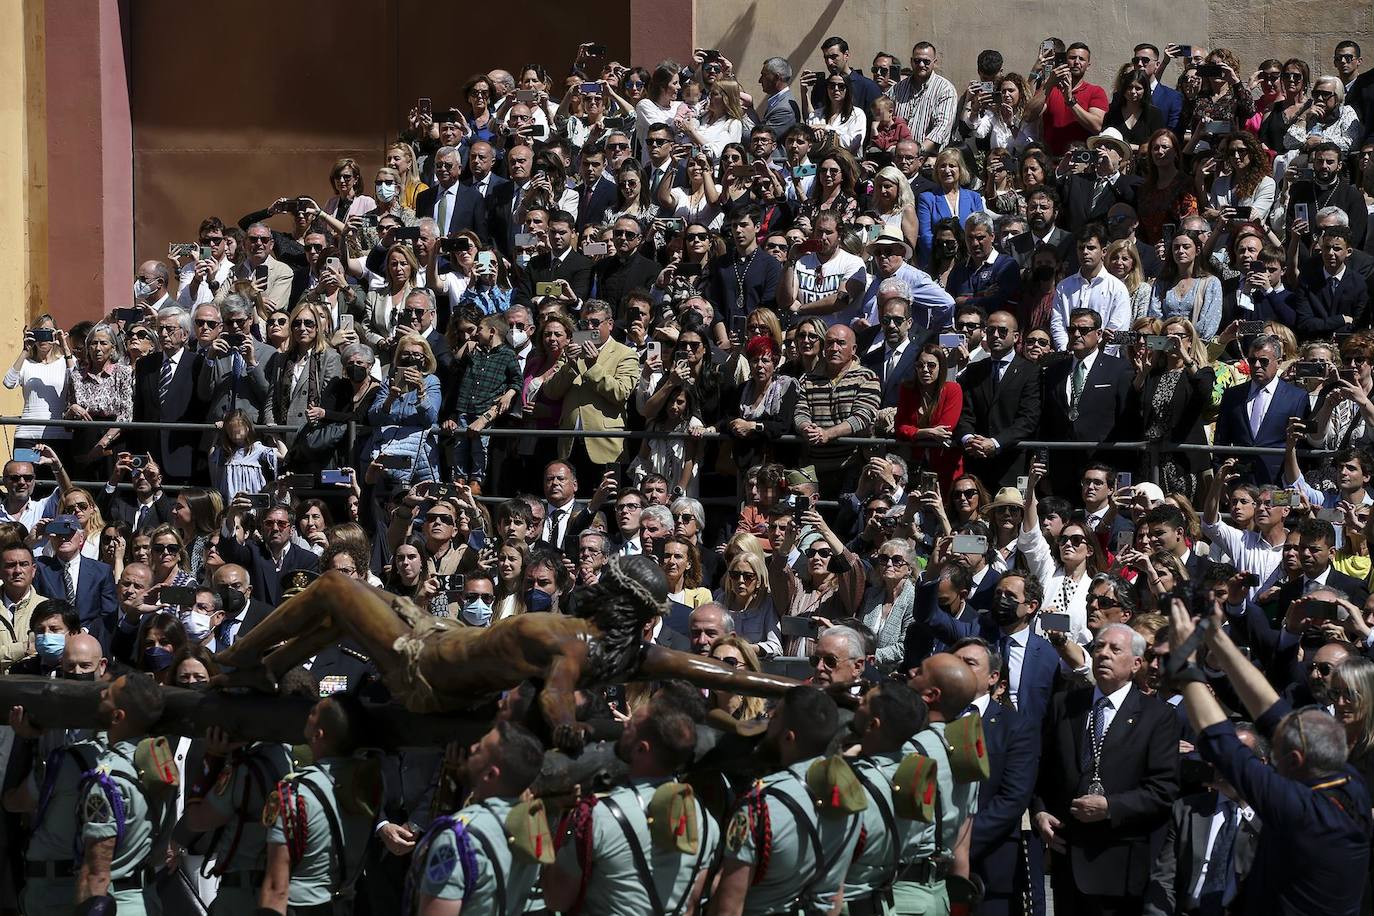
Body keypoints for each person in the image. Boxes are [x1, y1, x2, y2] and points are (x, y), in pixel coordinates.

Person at [1170, 600, 1371, 915]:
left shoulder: (1296, 807)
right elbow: (1269, 709)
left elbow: (1220, 740)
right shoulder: (1349, 783)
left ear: (1293, 758)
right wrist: (1215, 635)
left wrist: (1183, 662)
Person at [1033, 623, 1180, 914]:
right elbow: (1042, 769)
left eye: (1115, 649)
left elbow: (1163, 790)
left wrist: (1110, 806)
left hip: (1119, 864)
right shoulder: (1065, 704)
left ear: (1137, 663)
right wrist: (1039, 811)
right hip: (1068, 858)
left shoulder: (1157, 717)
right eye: (1099, 647)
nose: (1103, 654)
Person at [543, 692, 718, 914]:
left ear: (641, 749)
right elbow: (692, 905)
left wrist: (561, 817)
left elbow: (555, 898)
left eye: (630, 726)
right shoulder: (706, 821)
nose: (623, 727)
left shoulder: (598, 816)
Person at [710, 686, 862, 916]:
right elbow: (835, 896)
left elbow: (729, 907)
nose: (769, 719)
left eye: (776, 716)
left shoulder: (758, 806)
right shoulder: (851, 797)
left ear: (789, 737)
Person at [951, 637, 1045, 916]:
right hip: (928, 864)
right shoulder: (930, 719)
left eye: (969, 663)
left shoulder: (1015, 726)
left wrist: (958, 844)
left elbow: (1013, 798)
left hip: (989, 866)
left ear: (994, 677)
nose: (959, 668)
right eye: (955, 661)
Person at [258, 695, 378, 915]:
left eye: (313, 712)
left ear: (318, 734)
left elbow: (277, 888)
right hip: (344, 905)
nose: (308, 715)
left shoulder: (294, 794)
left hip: (302, 907)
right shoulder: (372, 785)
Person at [411, 722, 547, 915]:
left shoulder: (457, 837)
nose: (472, 747)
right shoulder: (534, 823)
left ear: (491, 774)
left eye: (480, 749)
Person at [1142, 721, 1267, 916]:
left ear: (1260, 763)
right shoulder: (1187, 809)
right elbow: (1164, 879)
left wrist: (1243, 801)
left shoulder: (1272, 816)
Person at [72, 673, 169, 915]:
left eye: (109, 694)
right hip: (147, 900)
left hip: (114, 904)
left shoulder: (107, 780)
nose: (101, 693)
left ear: (118, 716)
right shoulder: (158, 764)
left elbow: (97, 874)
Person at [1039, 308, 1135, 495]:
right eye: (1071, 329)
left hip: (1102, 465)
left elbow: (1126, 421)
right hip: (1062, 466)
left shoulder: (1118, 368)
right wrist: (1045, 472)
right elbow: (1046, 422)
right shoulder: (1054, 370)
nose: (1076, 334)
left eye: (1083, 330)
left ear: (1098, 334)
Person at [956, 310, 1042, 488]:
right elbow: (965, 413)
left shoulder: (1030, 372)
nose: (995, 335)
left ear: (1016, 336)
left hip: (1011, 463)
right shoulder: (974, 370)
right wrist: (968, 439)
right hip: (976, 463)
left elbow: (1028, 419)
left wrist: (995, 443)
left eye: (1002, 331)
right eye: (990, 330)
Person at [795, 324, 881, 496]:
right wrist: (806, 428)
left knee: (844, 518)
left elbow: (862, 417)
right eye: (829, 343)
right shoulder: (808, 379)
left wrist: (827, 434)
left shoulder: (867, 377)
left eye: (841, 343)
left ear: (853, 348)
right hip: (813, 467)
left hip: (849, 466)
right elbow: (800, 412)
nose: (834, 348)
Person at [1214, 333, 1312, 485]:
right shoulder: (1233, 395)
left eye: (1264, 361)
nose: (1257, 365)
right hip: (1240, 483)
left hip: (1278, 482)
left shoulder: (1297, 397)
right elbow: (1221, 441)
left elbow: (1301, 446)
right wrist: (1221, 481)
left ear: (1278, 363)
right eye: (1252, 360)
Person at [132, 306, 210, 483]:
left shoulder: (198, 363)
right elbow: (140, 411)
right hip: (150, 455)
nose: (164, 334)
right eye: (160, 329)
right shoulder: (145, 365)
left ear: (184, 334)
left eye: (170, 329)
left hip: (183, 455)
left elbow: (202, 408)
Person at [1050, 225, 1133, 350]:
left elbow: (1117, 329)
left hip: (1104, 361)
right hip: (1069, 359)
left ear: (1104, 252)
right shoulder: (1064, 287)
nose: (1085, 252)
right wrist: (1066, 352)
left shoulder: (1117, 288)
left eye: (1091, 248)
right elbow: (1058, 324)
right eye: (1081, 248)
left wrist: (1098, 358)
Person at [779, 212, 869, 325]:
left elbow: (842, 300)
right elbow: (785, 301)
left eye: (829, 232)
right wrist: (790, 261)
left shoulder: (853, 262)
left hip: (834, 335)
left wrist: (801, 309)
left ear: (839, 235)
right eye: (820, 231)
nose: (823, 237)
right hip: (804, 334)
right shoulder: (801, 261)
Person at [1026, 42, 1109, 154]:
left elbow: (1097, 126)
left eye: (1081, 59)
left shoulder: (1095, 91)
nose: (1076, 62)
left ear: (1088, 66)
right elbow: (1028, 116)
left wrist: (1071, 102)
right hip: (1052, 161)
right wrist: (1049, 84)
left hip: (1082, 161)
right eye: (1072, 58)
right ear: (1065, 61)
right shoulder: (1051, 89)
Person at [917, 149, 986, 267]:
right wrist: (943, 259)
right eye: (942, 166)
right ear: (937, 171)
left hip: (970, 262)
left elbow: (981, 230)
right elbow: (925, 235)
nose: (947, 170)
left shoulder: (974, 197)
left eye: (952, 165)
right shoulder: (927, 199)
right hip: (937, 262)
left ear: (960, 169)